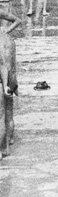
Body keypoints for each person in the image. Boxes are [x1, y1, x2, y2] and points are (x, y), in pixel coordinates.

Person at [0, 19, 16, 157]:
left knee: (3, 116)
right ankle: (6, 143)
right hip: (7, 81)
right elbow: (6, 66)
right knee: (7, 113)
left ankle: (3, 147)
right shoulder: (6, 40)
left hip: (4, 82)